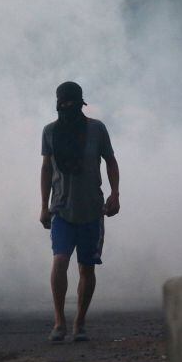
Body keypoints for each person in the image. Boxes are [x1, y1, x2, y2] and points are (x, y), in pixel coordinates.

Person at [40, 81, 120, 342]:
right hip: (61, 209)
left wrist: (115, 193)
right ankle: (59, 322)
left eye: (71, 102)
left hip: (92, 210)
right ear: (57, 104)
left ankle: (80, 322)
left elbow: (110, 160)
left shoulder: (96, 129)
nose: (66, 107)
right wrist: (43, 206)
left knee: (87, 269)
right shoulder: (50, 132)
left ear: (80, 103)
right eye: (62, 103)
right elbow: (46, 169)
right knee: (60, 261)